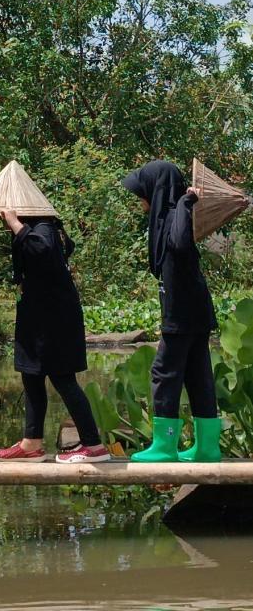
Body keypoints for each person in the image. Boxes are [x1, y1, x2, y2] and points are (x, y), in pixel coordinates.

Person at [0, 207, 110, 463]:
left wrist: (15, 223)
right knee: (31, 375)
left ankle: (93, 446)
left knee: (63, 378)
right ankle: (31, 443)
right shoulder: (39, 227)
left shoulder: (44, 227)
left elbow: (42, 250)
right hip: (38, 316)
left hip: (55, 319)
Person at [122, 160, 222, 463]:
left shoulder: (176, 213)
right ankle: (207, 447)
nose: (139, 199)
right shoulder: (169, 216)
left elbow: (179, 243)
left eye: (142, 192)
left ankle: (165, 446)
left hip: (183, 311)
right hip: (193, 309)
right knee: (197, 375)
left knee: (163, 373)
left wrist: (186, 201)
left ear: (156, 190)